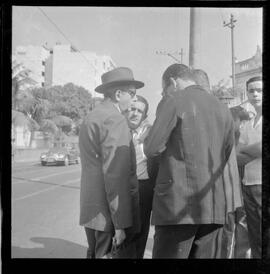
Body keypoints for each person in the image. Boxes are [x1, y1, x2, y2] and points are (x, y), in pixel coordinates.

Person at [144, 63, 241, 258]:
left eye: (165, 89)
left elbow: (151, 148)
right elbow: (228, 150)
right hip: (213, 207)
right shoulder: (223, 108)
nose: (165, 94)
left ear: (173, 81)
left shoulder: (174, 101)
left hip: (177, 207)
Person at [79, 67, 144, 258]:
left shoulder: (93, 116)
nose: (134, 99)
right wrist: (121, 224)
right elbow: (116, 176)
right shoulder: (114, 119)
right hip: (109, 214)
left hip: (93, 208)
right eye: (131, 93)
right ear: (118, 94)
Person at [125, 95, 155, 258]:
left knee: (140, 235)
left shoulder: (150, 133)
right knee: (121, 235)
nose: (135, 113)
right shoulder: (119, 131)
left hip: (143, 189)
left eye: (139, 111)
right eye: (132, 109)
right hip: (122, 188)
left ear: (144, 115)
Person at [237, 76, 262, 258]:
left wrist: (247, 150)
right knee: (254, 236)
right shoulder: (247, 124)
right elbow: (238, 156)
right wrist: (251, 150)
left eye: (259, 90)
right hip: (249, 183)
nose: (255, 94)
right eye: (251, 91)